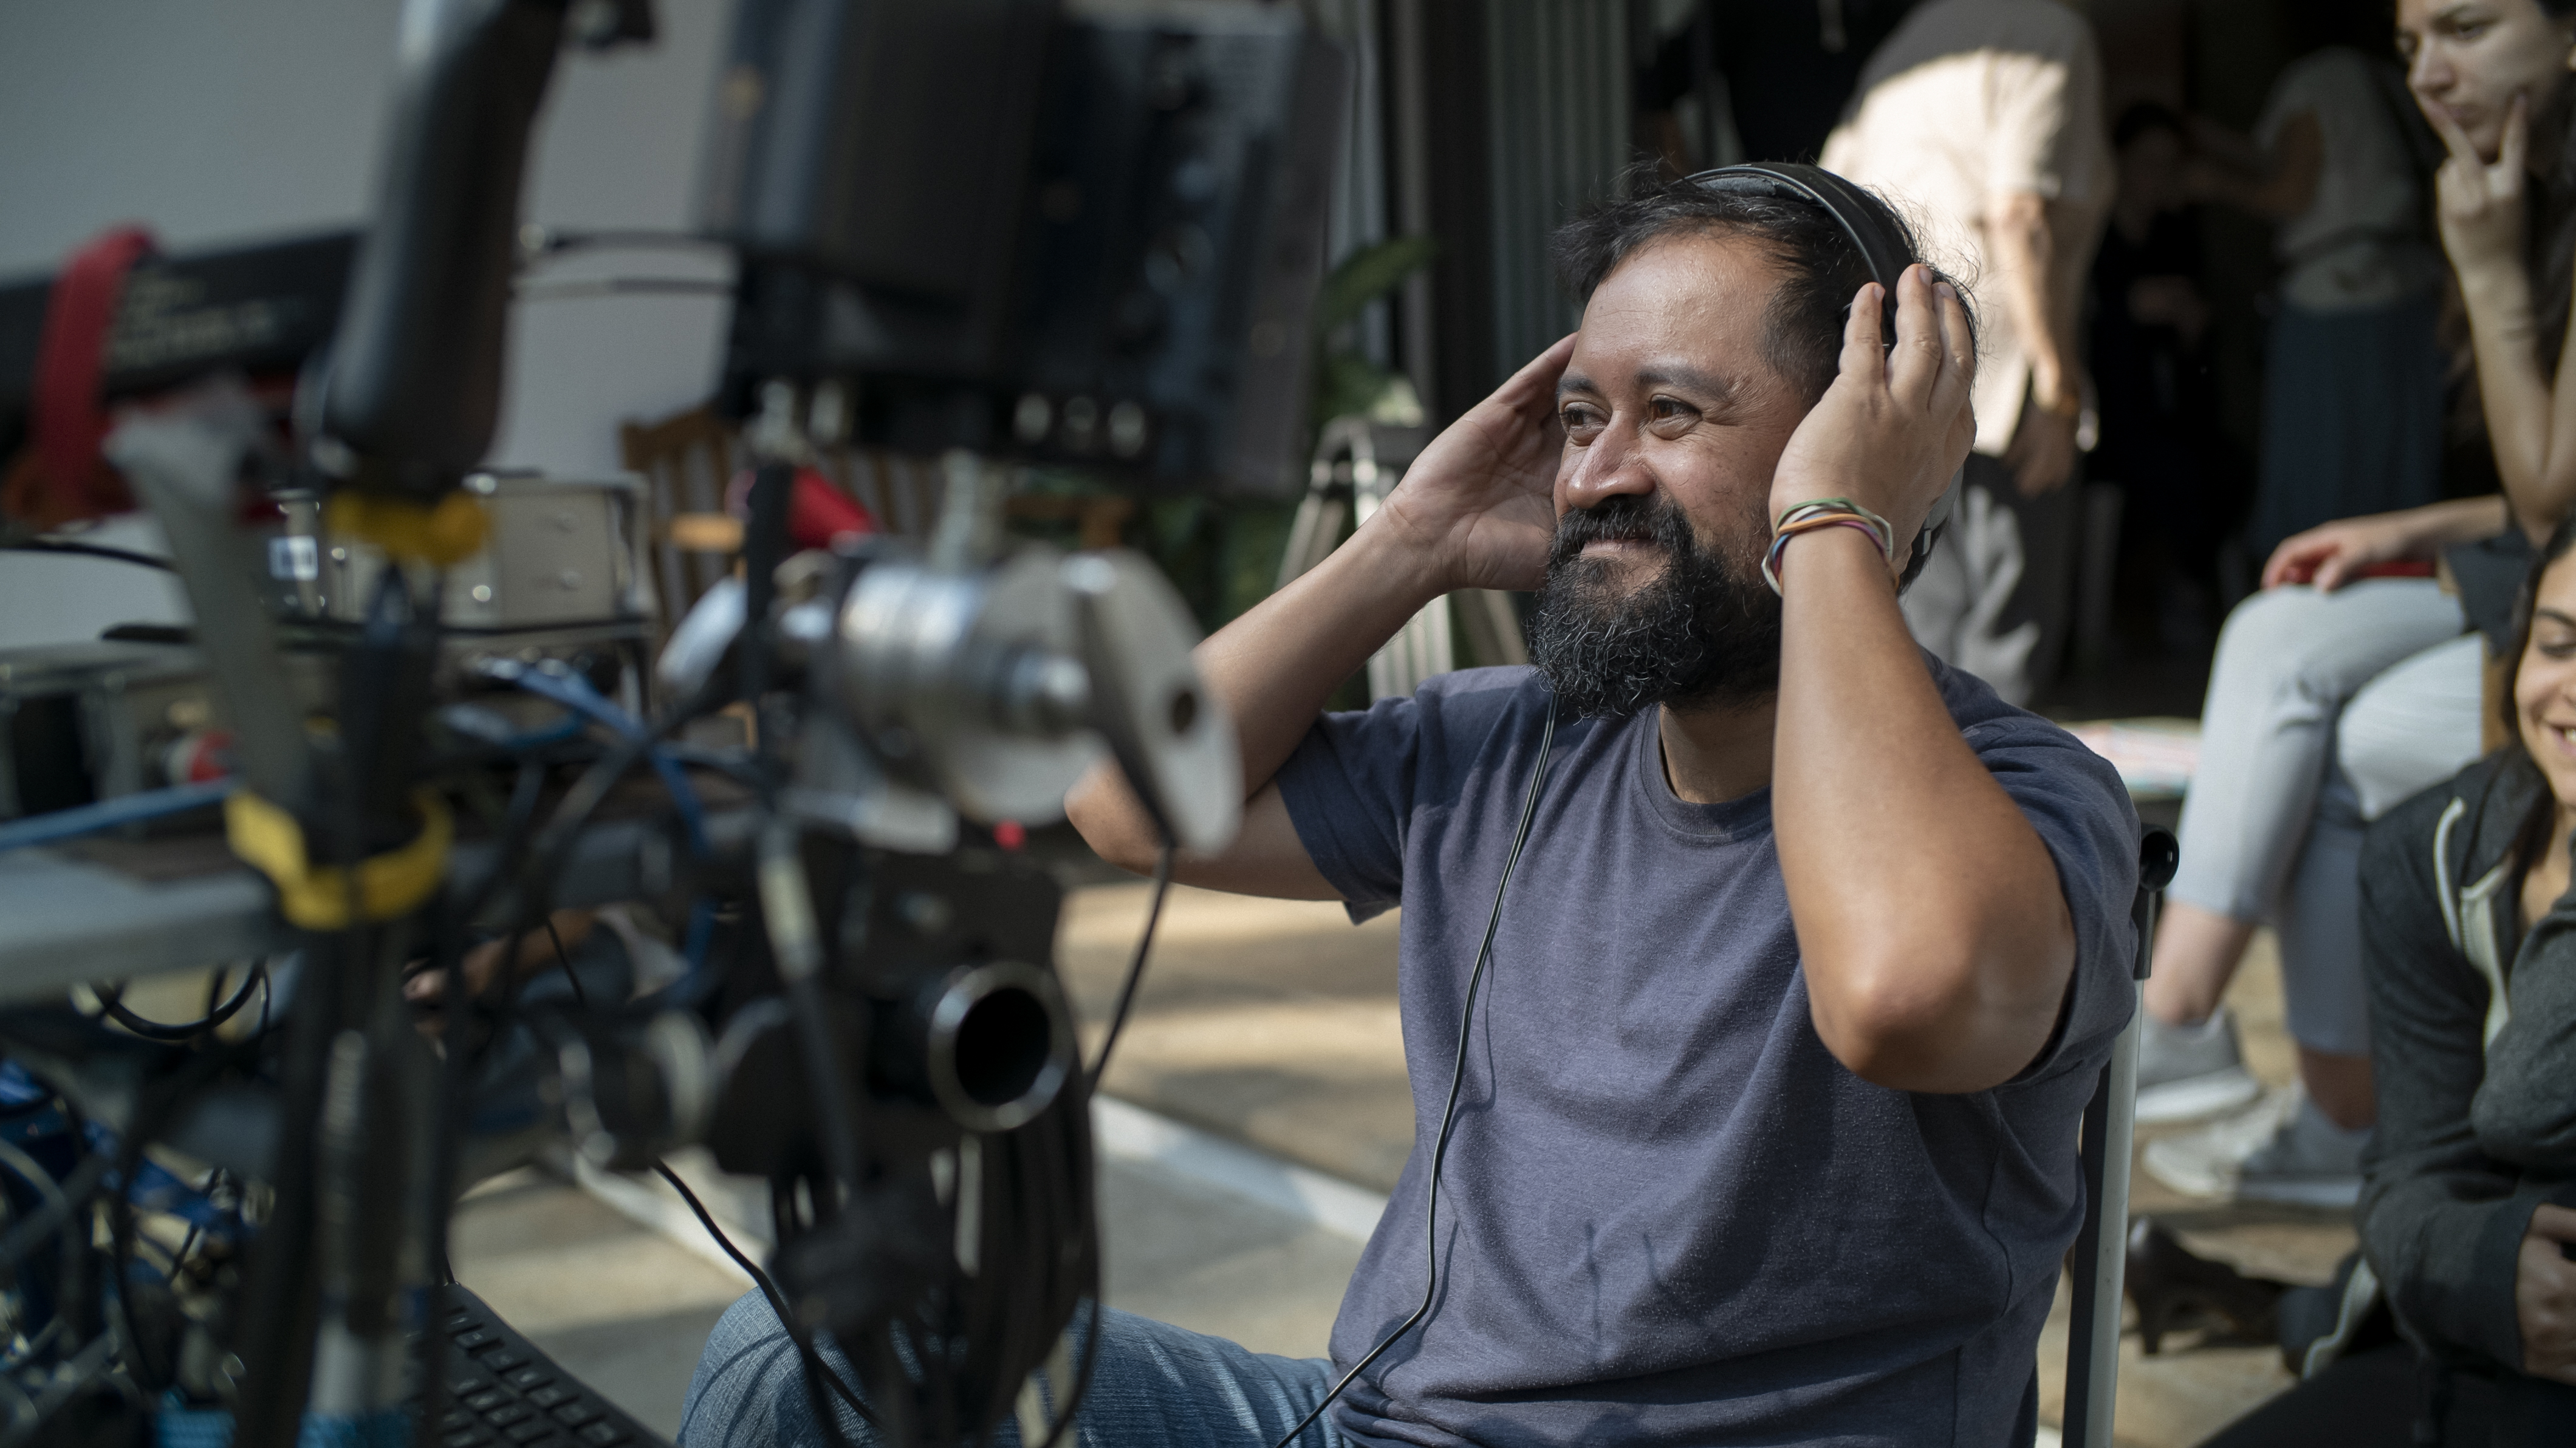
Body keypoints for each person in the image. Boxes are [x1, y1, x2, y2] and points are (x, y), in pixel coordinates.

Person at [680, 169, 2143, 1445]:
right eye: (1579, 418)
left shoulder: (2019, 801)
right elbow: (1125, 800)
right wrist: (1412, 537)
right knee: (801, 1354)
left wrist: (1837, 521)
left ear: (1857, 437)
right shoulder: (1507, 747)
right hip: (1369, 1425)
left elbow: (1902, 993)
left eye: (1672, 414)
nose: (1596, 472)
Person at [2136, 0, 2576, 1209]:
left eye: (2469, 29)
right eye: (2411, 47)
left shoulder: (2496, 215)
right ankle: (2228, 1047)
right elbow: (2544, 504)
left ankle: (2199, 1036)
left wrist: (2482, 269)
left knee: (2338, 729)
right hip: (2540, 571)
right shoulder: (2520, 186)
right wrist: (2407, 528)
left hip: (2552, 588)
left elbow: (2548, 498)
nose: (2431, 73)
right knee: (2274, 624)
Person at [2180, 516, 2576, 1448]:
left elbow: (2528, 1101)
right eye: (2559, 645)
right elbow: (2409, 1179)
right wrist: (2486, 1273)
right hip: (2482, 1342)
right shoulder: (2433, 851)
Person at [1820, 0, 2113, 705]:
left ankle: (1920, 789)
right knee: (2008, 624)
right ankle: (1998, 801)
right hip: (1995, 359)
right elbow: (2019, 211)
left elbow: (1834, 189)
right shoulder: (2052, 34)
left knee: (1922, 599)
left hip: (1898, 352)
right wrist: (2056, 380)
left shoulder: (1913, 38)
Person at [2187, 34, 2448, 555]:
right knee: (2399, 462)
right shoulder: (2385, 80)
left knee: (2325, 465)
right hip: (2406, 287)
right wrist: (2208, 138)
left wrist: (2210, 182)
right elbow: (2280, 155)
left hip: (2337, 304)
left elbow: (2292, 190)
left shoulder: (2320, 77)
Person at [2086, 101, 2233, 654]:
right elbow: (2084, 324)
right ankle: (2137, 609)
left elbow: (2194, 348)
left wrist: (2192, 321)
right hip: (2105, 418)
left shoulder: (2175, 236)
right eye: (2147, 160)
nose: (2158, 175)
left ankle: (2186, 589)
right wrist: (2130, 309)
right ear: (2119, 162)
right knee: (2166, 469)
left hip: (2167, 410)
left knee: (2220, 465)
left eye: (2171, 163)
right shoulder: (2095, 235)